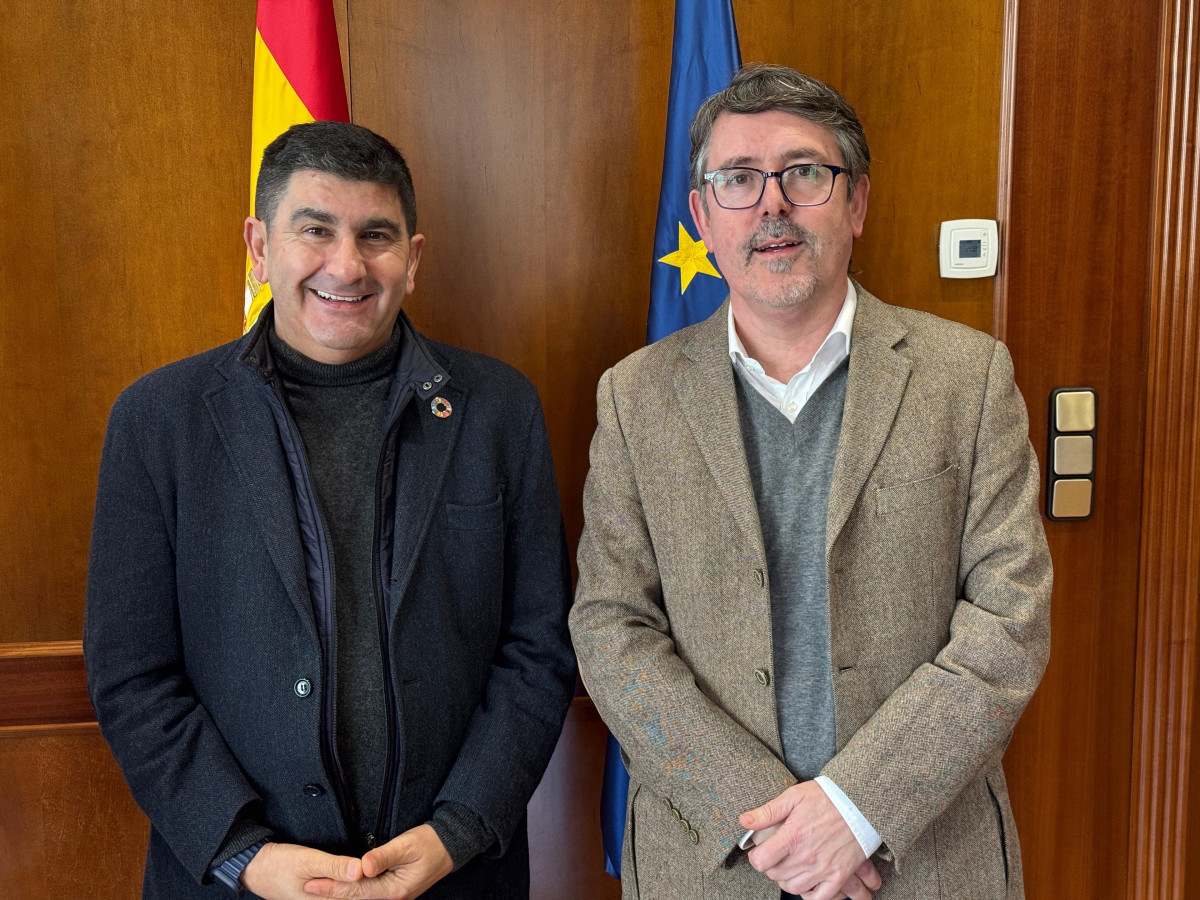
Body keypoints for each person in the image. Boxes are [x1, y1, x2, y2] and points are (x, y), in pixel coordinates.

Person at [569, 64, 1051, 900]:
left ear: (856, 203)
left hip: (924, 861)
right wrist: (770, 820)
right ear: (701, 217)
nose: (772, 205)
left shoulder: (966, 378)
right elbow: (612, 630)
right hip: (715, 863)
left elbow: (1009, 621)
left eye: (805, 173)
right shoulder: (634, 396)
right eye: (739, 180)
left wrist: (857, 808)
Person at [84, 121, 576, 900]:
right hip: (228, 881)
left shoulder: (498, 409)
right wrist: (244, 853)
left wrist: (458, 832)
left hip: (452, 876)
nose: (346, 265)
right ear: (259, 245)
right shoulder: (158, 420)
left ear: (411, 259)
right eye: (315, 230)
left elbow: (539, 647)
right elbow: (131, 674)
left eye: (376, 235)